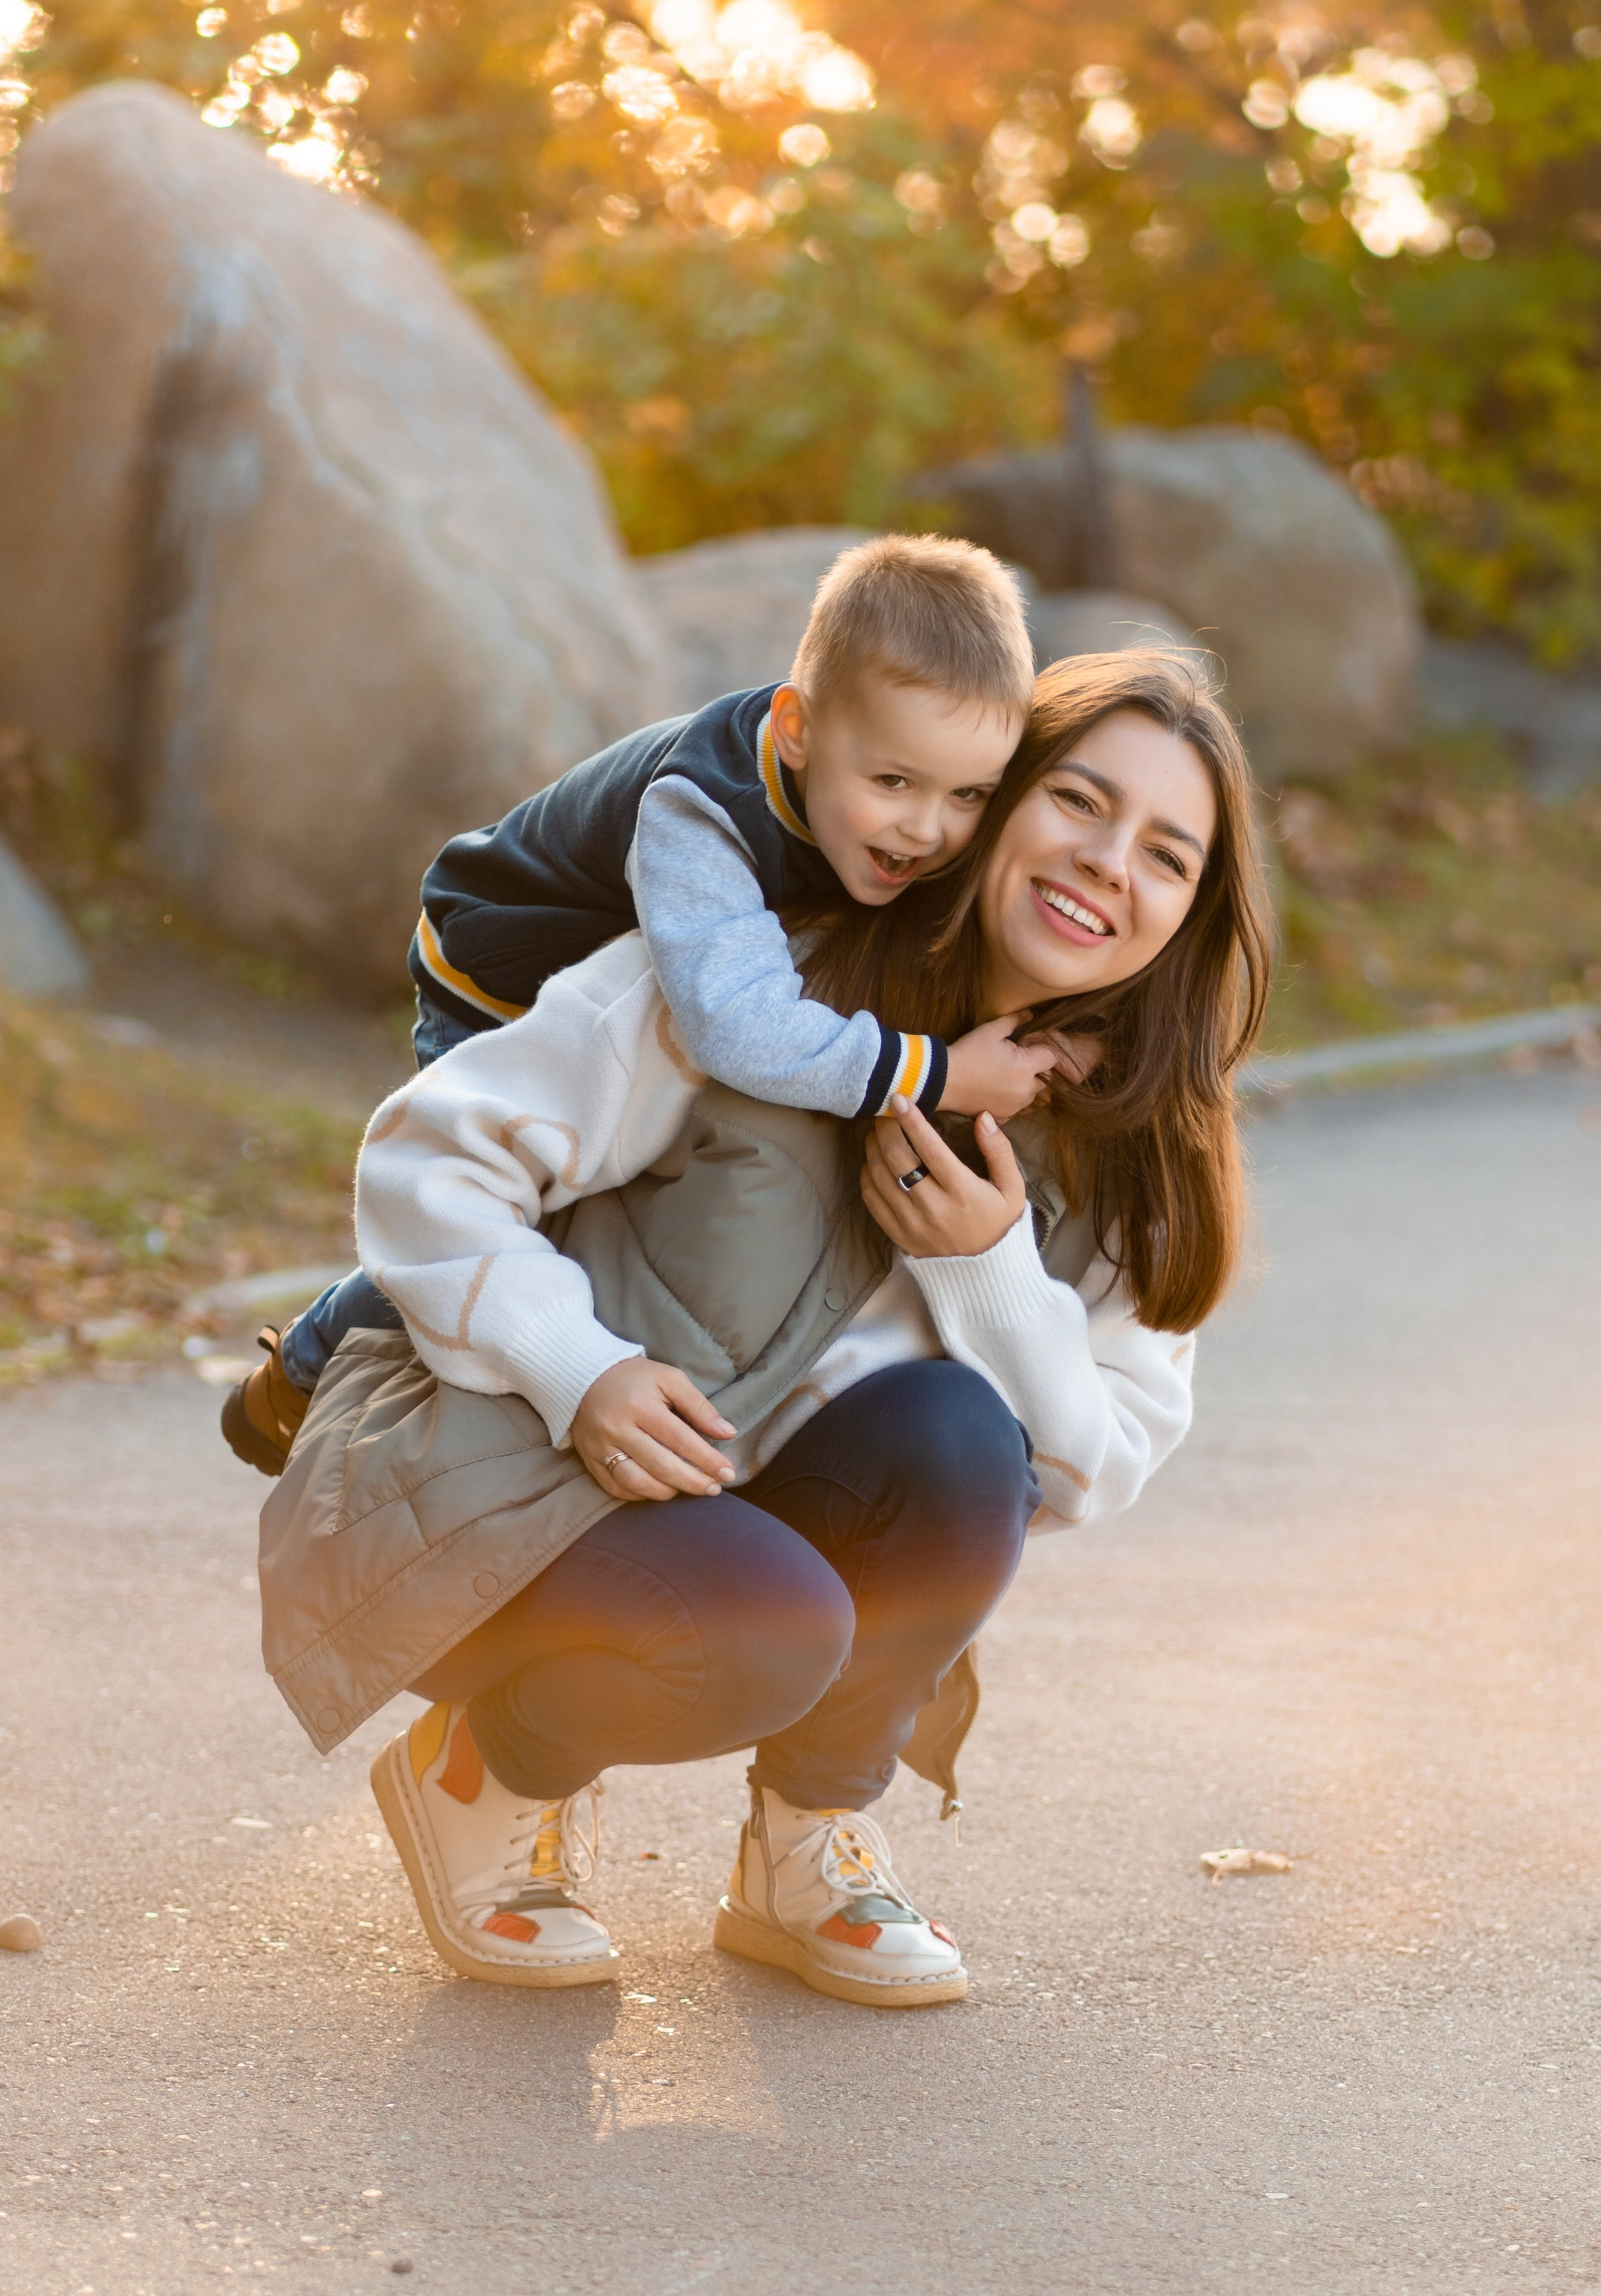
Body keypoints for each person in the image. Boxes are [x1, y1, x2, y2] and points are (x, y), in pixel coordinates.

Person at [256, 650, 1273, 2011]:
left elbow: (1084, 1469)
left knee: (966, 1445)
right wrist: (582, 1370)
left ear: (1194, 910)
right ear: (992, 800)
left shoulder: (1127, 1144)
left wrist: (987, 1270)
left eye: (1164, 853)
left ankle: (803, 1850)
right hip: (494, 1481)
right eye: (1077, 802)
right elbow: (428, 1163)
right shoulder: (756, 990)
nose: (1105, 864)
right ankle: (482, 1773)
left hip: (727, 1517)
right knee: (775, 1630)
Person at [225, 533, 1053, 1476]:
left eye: (970, 795)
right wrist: (939, 1069)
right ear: (797, 730)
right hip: (502, 974)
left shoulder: (886, 819)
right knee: (514, 1218)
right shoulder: (698, 810)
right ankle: (310, 1365)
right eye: (894, 782)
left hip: (630, 1003)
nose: (929, 827)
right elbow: (735, 1027)